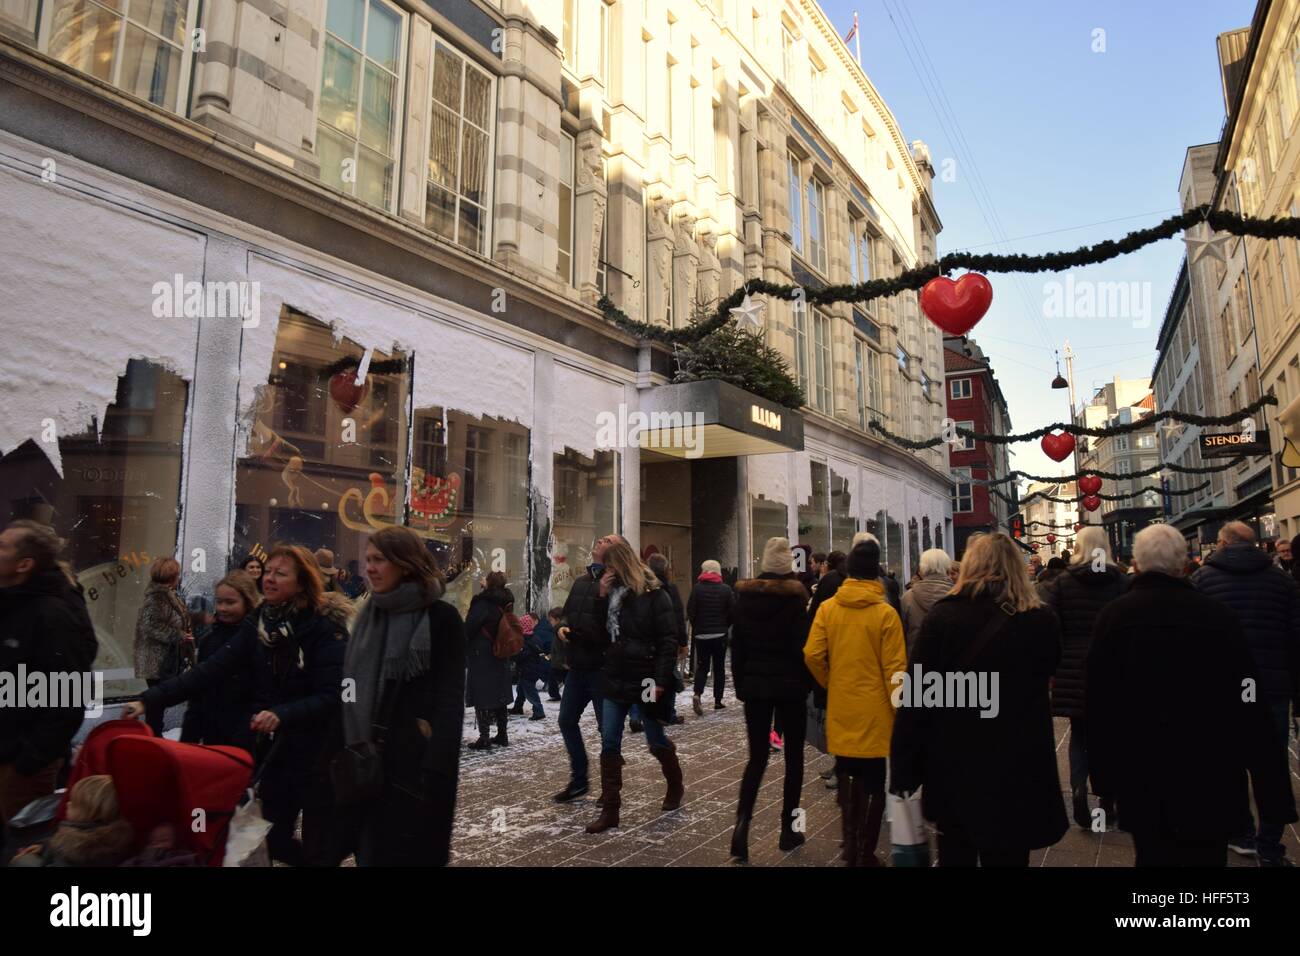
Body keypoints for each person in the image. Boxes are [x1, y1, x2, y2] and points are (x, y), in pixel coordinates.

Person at [126, 545, 350, 866]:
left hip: (318, 753)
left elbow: (332, 695)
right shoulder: (259, 622)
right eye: (268, 571)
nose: (269, 579)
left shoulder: (324, 628)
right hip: (278, 752)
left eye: (280, 574)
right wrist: (149, 700)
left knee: (319, 847)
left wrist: (282, 714)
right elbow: (211, 670)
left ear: (302, 583)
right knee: (272, 836)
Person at [1089, 523, 1297, 866]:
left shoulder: (1114, 617)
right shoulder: (1217, 616)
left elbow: (1100, 701)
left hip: (1143, 769)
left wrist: (1106, 778)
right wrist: (1271, 787)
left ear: (1137, 564)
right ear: (1183, 563)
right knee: (1208, 855)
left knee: (1152, 855)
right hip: (1210, 769)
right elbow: (1248, 696)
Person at [891, 532, 1068, 867]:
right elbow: (1049, 669)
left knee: (956, 854)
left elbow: (917, 699)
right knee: (1009, 856)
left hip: (956, 765)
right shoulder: (1040, 620)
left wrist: (904, 768)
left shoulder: (943, 619)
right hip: (1018, 766)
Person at [330, 525, 465, 866]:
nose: (370, 569)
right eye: (367, 560)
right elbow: (350, 686)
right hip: (368, 764)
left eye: (379, 560)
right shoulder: (368, 613)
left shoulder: (441, 617)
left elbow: (450, 699)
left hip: (416, 770)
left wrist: (435, 771)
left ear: (405, 563)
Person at [1191, 521, 1300, 865]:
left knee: (1227, 761)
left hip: (1223, 689)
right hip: (1271, 688)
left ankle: (1242, 832)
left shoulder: (1203, 581)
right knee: (1271, 765)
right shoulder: (1282, 581)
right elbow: (1296, 638)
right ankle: (1270, 844)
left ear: (1221, 543)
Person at [804, 539, 906, 867]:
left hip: (842, 704)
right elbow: (895, 671)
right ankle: (865, 850)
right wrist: (900, 709)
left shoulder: (828, 608)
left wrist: (831, 682)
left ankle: (849, 842)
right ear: (876, 573)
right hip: (876, 710)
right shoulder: (886, 614)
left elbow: (812, 654)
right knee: (875, 781)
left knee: (847, 772)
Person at [0, 521, 97, 830]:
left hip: (18, 765)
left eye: (3, 546)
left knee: (16, 846)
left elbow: (67, 700)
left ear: (24, 564)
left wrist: (27, 761)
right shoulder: (14, 598)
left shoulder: (52, 614)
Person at [585, 539, 682, 833]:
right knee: (609, 741)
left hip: (647, 676)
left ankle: (675, 784)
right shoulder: (611, 593)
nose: (607, 571)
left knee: (654, 738)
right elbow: (598, 634)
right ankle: (611, 811)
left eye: (610, 566)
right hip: (615, 674)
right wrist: (601, 596)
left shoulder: (654, 594)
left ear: (622, 564)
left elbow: (668, 640)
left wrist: (662, 680)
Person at [1036, 526, 1129, 829]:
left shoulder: (1063, 583)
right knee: (1112, 735)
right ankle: (1108, 798)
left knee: (1079, 734)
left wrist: (1054, 667)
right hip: (1112, 665)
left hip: (1073, 667)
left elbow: (1052, 627)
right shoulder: (1120, 581)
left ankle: (1078, 787)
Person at [729, 537, 811, 861]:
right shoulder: (796, 601)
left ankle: (742, 824)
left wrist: (741, 686)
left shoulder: (744, 600)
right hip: (790, 687)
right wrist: (805, 682)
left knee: (757, 758)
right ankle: (789, 828)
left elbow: (737, 649)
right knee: (794, 759)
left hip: (757, 689)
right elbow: (802, 649)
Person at [553, 535, 620, 803]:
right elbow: (568, 613)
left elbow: (611, 628)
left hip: (601, 667)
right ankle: (579, 779)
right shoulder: (581, 581)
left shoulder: (616, 585)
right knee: (566, 720)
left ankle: (610, 788)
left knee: (608, 729)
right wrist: (561, 628)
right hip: (579, 666)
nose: (599, 541)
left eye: (606, 540)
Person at [180, 570, 260, 750]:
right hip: (213, 732)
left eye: (230, 602)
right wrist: (188, 740)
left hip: (245, 735)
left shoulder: (257, 639)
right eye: (219, 601)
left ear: (247, 602)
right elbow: (198, 694)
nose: (223, 608)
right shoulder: (210, 640)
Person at [9, 775, 134, 868]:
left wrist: (21, 860)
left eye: (74, 804)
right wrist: (44, 847)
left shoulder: (80, 849)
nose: (68, 804)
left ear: (89, 812)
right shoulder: (116, 838)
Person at [132, 556, 194, 736]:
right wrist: (179, 635)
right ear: (173, 576)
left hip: (163, 658)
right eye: (177, 574)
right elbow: (149, 626)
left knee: (157, 703)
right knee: (156, 704)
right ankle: (152, 737)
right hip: (158, 659)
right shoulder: (158, 597)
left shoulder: (167, 594)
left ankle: (153, 736)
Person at [464, 571, 517, 748]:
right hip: (500, 652)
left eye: (485, 579)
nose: (481, 580)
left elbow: (470, 627)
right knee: (499, 694)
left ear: (489, 583)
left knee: (482, 695)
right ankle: (502, 734)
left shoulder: (483, 603)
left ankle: (484, 737)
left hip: (483, 654)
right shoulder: (505, 601)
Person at [688, 559, 734, 715]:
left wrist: (697, 627)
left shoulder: (697, 589)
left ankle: (697, 694)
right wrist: (724, 626)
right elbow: (732, 612)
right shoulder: (726, 590)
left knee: (702, 666)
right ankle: (718, 701)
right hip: (720, 634)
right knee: (719, 668)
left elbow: (691, 611)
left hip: (701, 635)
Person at [647, 554, 688, 725]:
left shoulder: (644, 588)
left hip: (648, 641)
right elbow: (679, 616)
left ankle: (644, 714)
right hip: (667, 640)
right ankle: (668, 713)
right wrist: (682, 642)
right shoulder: (671, 588)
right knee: (668, 677)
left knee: (648, 677)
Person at [899, 548, 953, 656]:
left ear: (922, 570)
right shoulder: (957, 596)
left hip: (917, 660)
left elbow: (902, 634)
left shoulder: (908, 598)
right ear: (948, 569)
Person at [509, 613, 547, 720]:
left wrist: (512, 655)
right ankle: (517, 707)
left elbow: (521, 655)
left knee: (530, 693)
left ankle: (539, 711)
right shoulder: (534, 638)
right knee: (520, 690)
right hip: (530, 670)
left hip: (528, 671)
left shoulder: (525, 641)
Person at [536, 607, 564, 701]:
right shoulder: (555, 630)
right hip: (556, 660)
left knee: (567, 680)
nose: (550, 623)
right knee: (552, 679)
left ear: (558, 619)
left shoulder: (562, 630)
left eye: (551, 620)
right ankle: (555, 695)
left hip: (562, 661)